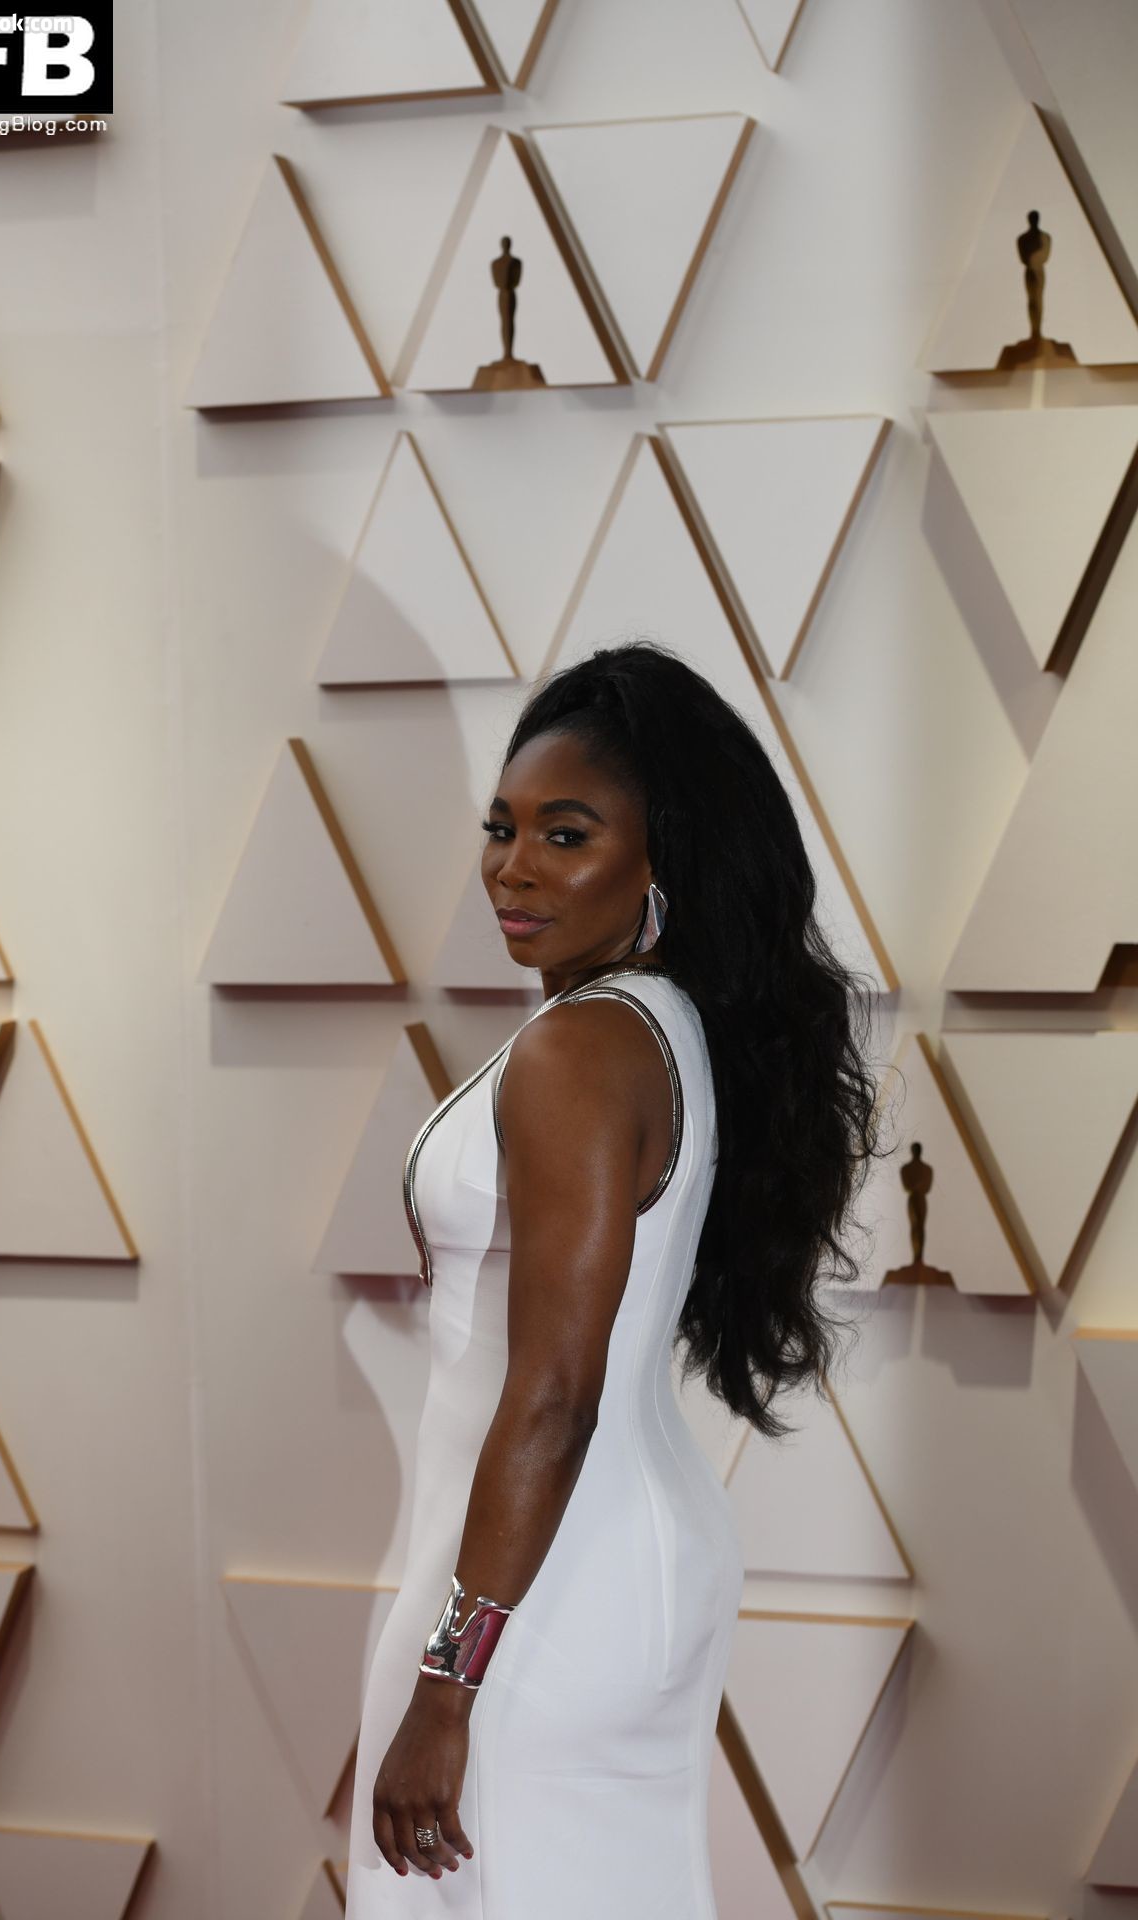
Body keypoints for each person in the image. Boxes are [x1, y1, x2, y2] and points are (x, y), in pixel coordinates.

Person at [344, 641, 883, 1915]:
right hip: (581, 1559)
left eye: (566, 834)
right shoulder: (661, 1026)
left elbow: (553, 1393)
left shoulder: (582, 1051)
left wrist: (448, 1686)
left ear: (660, 862)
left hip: (536, 1587)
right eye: (501, 828)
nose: (513, 867)